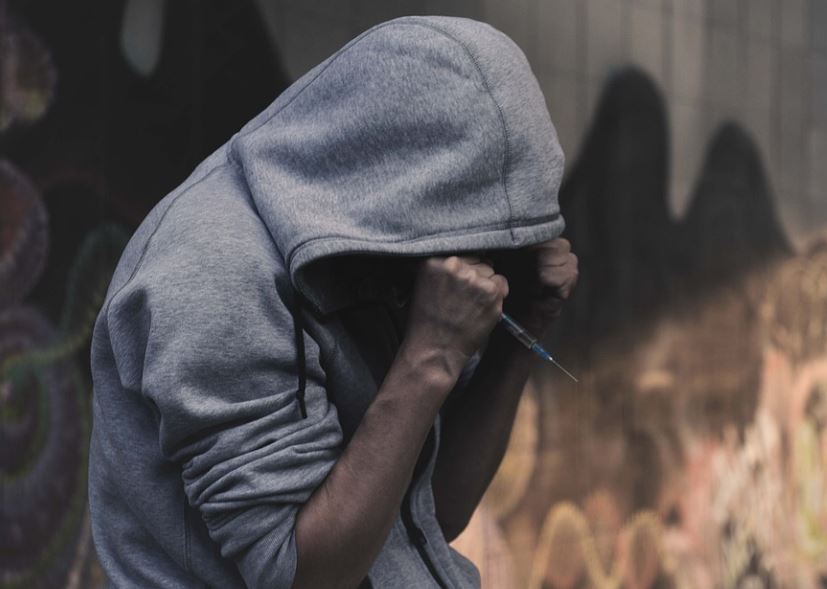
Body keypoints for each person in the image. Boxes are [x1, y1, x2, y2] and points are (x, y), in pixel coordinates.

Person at [88, 14, 578, 589]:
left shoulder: (384, 252)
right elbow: (304, 577)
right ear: (398, 187)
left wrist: (518, 339)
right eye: (471, 238)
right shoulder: (213, 275)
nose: (476, 268)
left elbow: (433, 513)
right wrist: (432, 355)